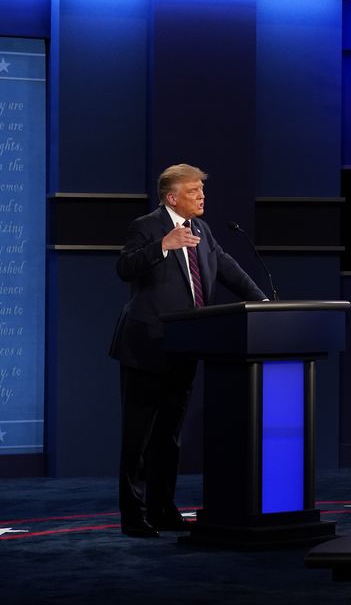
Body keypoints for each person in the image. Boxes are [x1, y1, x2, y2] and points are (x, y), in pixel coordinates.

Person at [110, 164, 266, 538]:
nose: (202, 196)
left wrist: (261, 301)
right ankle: (134, 515)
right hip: (146, 347)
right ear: (171, 197)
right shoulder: (147, 226)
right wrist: (163, 246)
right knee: (139, 438)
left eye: (202, 190)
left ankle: (163, 508)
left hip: (185, 346)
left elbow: (225, 267)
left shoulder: (202, 230)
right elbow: (124, 267)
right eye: (194, 191)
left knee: (169, 436)